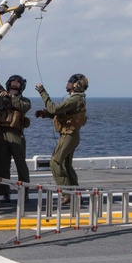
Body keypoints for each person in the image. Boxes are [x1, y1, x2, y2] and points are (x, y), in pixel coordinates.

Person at [35, 73, 88, 201]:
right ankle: (74, 191)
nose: (67, 83)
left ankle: (66, 193)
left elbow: (53, 109)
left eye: (70, 81)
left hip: (68, 135)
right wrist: (45, 114)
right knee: (66, 164)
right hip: (71, 135)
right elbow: (61, 114)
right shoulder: (76, 99)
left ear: (76, 85)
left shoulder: (74, 99)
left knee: (55, 162)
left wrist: (42, 92)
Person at [0, 74, 32, 198]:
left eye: (18, 82)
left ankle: (24, 192)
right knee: (2, 164)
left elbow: (23, 107)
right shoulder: (1, 97)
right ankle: (5, 191)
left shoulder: (25, 100)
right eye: (13, 81)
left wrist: (10, 97)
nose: (15, 83)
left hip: (16, 134)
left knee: (20, 164)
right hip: (2, 133)